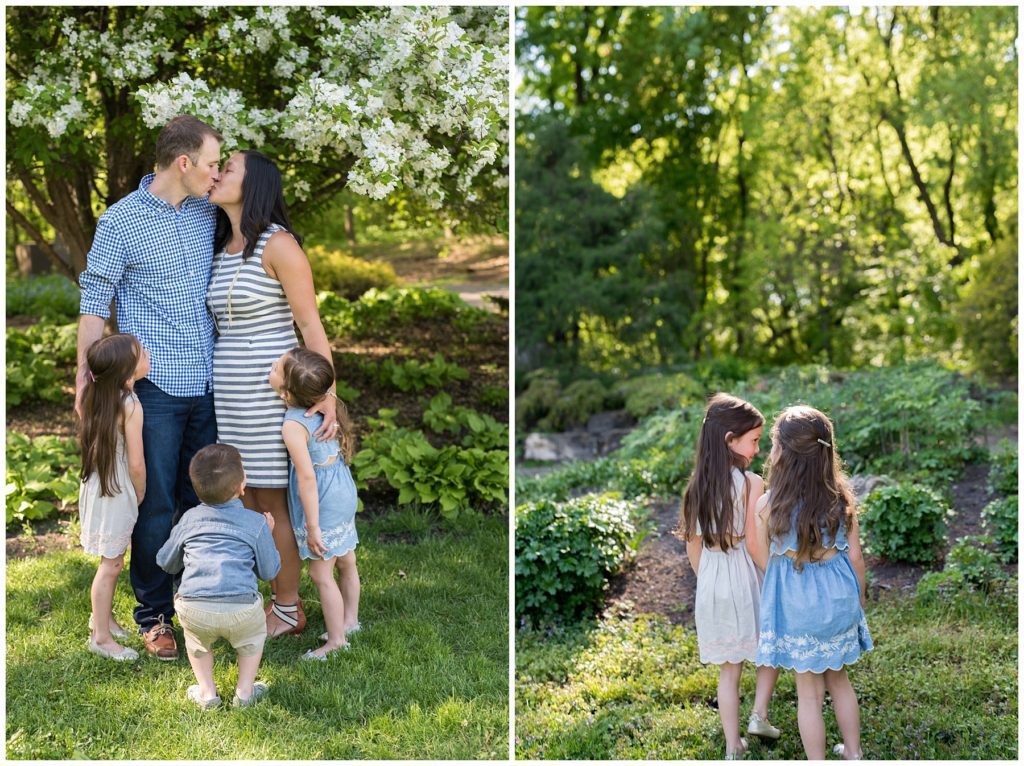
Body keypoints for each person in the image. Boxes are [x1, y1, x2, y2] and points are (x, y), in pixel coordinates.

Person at [76, 114, 224, 660]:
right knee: (155, 503)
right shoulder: (120, 222)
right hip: (154, 387)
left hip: (208, 380)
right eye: (211, 163)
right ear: (183, 163)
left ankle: (199, 599)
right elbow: (95, 301)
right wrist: (85, 380)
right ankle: (155, 616)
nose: (217, 173)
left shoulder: (211, 213)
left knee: (199, 499)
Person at [206, 149, 338, 639]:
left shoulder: (277, 245)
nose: (217, 174)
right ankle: (270, 598)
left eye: (229, 168)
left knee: (273, 501)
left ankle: (287, 607)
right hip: (231, 392)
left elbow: (309, 324)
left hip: (272, 395)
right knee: (246, 499)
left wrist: (326, 394)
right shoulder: (222, 244)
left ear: (255, 184)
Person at [751, 405, 872, 760]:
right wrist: (859, 599)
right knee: (839, 681)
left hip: (798, 607)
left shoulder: (767, 505)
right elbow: (856, 558)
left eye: (774, 444)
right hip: (837, 602)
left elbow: (762, 555)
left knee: (809, 695)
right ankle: (853, 752)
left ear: (784, 456)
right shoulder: (842, 500)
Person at [681, 393, 782, 760]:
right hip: (746, 575)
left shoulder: (697, 487)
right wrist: (774, 575)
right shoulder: (751, 483)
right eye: (754, 440)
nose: (758, 449)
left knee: (729, 668)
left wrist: (706, 579)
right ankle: (758, 714)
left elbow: (693, 545)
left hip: (712, 581)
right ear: (730, 440)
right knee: (768, 644)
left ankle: (731, 745)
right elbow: (755, 544)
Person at [156, 444, 281, 709]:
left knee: (198, 646)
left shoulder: (189, 519)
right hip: (242, 609)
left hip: (195, 608)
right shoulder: (256, 522)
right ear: (241, 486)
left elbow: (166, 562)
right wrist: (266, 535)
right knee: (250, 643)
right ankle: (245, 693)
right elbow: (269, 571)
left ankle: (207, 693)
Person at [269, 347, 362, 660]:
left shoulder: (293, 426)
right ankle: (350, 621)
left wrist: (312, 526)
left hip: (323, 500)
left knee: (322, 575)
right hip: (343, 490)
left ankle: (336, 642)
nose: (271, 365)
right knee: (346, 561)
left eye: (276, 369)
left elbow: (307, 479)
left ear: (285, 392)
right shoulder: (324, 409)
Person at [78, 334, 150, 662]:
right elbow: (136, 462)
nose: (147, 354)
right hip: (117, 488)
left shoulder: (97, 395)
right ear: (127, 374)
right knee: (112, 565)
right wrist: (141, 492)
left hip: (97, 486)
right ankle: (101, 638)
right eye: (141, 354)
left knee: (110, 560)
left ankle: (104, 619)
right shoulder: (130, 404)